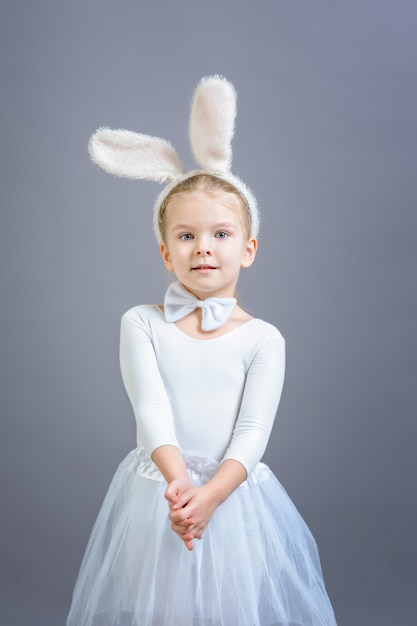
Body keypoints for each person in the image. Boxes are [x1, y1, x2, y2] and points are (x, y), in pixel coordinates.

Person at [67, 76, 337, 626]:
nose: (204, 248)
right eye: (186, 237)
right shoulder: (140, 323)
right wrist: (182, 489)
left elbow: (253, 431)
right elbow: (151, 411)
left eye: (220, 234)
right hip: (163, 496)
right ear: (166, 252)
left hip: (233, 498)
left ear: (249, 248)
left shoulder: (264, 339)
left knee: (232, 609)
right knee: (162, 610)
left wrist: (212, 495)